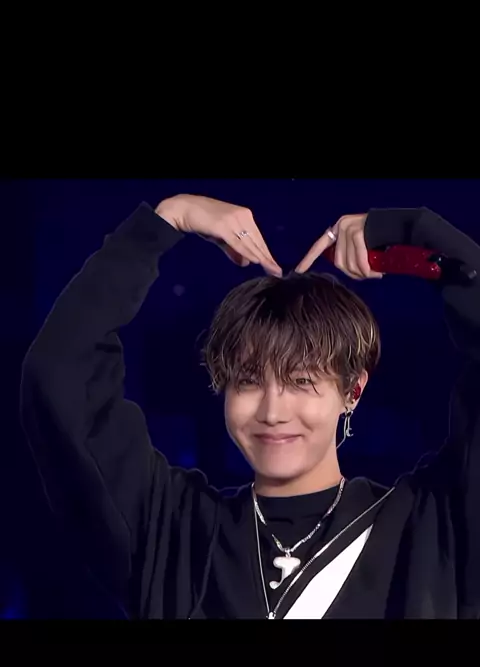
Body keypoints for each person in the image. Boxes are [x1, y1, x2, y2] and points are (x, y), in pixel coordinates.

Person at [20, 193, 480, 619]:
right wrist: (167, 219)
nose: (272, 411)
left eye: (301, 381)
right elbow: (58, 373)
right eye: (248, 381)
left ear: (352, 391)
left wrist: (413, 230)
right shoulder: (174, 532)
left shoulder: (429, 528)